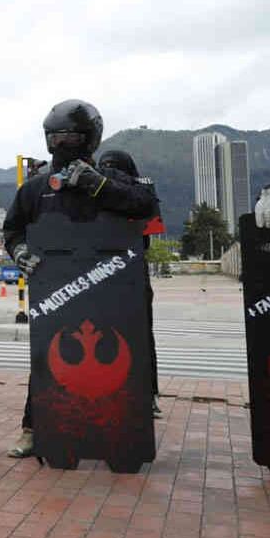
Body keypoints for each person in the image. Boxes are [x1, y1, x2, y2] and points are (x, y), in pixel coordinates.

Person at [4, 100, 158, 458]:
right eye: (55, 136)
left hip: (111, 287)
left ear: (89, 138)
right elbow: (11, 230)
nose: (63, 143)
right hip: (56, 290)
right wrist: (20, 253)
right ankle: (32, 428)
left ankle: (123, 425)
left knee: (118, 353)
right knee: (46, 358)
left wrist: (99, 185)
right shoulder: (36, 188)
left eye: (71, 135)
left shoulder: (112, 179)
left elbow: (146, 205)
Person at [97, 149, 163, 418]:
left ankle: (147, 395)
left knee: (140, 335)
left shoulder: (140, 192)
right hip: (114, 272)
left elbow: (149, 231)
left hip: (123, 271)